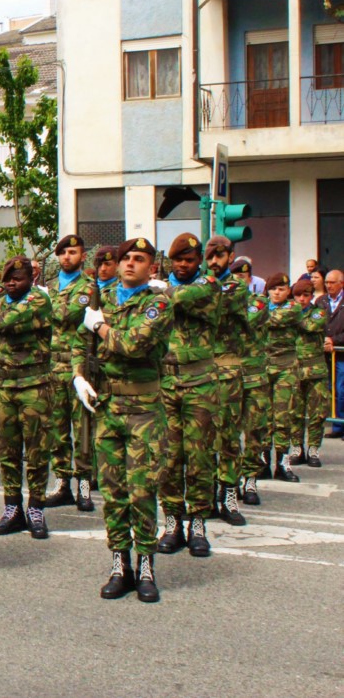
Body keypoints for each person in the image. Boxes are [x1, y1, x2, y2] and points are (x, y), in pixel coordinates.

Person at [73, 237, 172, 603]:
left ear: (151, 266)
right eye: (125, 258)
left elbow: (134, 345)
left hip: (143, 408)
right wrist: (78, 375)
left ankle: (146, 566)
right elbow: (78, 343)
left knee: (142, 491)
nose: (129, 264)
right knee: (113, 493)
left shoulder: (158, 302)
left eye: (138, 259)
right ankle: (120, 564)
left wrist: (99, 328)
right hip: (108, 408)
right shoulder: (104, 297)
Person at [156, 233, 221, 559]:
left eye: (189, 260)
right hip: (165, 384)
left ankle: (197, 523)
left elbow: (179, 297)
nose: (183, 265)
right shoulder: (158, 289)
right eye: (178, 260)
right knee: (168, 458)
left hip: (199, 382)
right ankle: (171, 522)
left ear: (199, 262)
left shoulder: (208, 286)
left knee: (199, 456)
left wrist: (159, 292)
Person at [0, 255, 54, 539]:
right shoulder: (1, 303)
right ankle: (12, 508)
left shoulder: (38, 300)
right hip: (4, 385)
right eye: (8, 279)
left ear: (31, 279)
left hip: (33, 384)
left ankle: (36, 508)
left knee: (37, 450)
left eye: (18, 278)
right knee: (7, 451)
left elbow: (6, 323)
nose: (12, 283)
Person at [46, 235, 97, 512]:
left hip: (78, 366)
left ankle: (85, 485)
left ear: (82, 255)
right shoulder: (50, 286)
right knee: (57, 428)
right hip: (52, 366)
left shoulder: (88, 287)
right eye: (63, 252)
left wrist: (44, 305)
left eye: (73, 252)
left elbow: (64, 314)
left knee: (83, 429)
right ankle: (62, 483)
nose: (67, 256)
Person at [205, 236, 247, 525]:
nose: (214, 262)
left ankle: (229, 494)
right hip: (202, 370)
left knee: (229, 438)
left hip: (228, 370)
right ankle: (207, 495)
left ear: (231, 257)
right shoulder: (200, 284)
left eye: (220, 256)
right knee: (202, 438)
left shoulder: (235, 286)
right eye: (210, 256)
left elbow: (214, 308)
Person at [231, 258, 271, 505]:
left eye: (244, 277)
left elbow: (247, 321)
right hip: (231, 376)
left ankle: (251, 478)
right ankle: (231, 481)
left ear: (250, 280)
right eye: (235, 277)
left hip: (255, 376)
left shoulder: (259, 302)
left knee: (255, 430)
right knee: (229, 433)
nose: (240, 281)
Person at [264, 274, 302, 482]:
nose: (277, 292)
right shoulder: (259, 306)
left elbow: (270, 320)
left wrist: (258, 316)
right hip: (264, 366)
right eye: (274, 288)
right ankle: (262, 461)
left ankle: (282, 462)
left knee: (283, 416)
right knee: (263, 418)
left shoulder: (293, 309)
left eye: (282, 288)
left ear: (288, 291)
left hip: (285, 368)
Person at [291, 278, 329, 467]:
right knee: (295, 412)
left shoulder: (318, 312)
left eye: (305, 295)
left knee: (317, 413)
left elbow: (311, 326)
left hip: (315, 370)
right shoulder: (290, 313)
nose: (302, 299)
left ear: (311, 296)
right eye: (298, 295)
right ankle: (297, 447)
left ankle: (313, 449)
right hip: (295, 369)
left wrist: (292, 316)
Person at [324, 268, 344, 439]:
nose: (328, 286)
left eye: (332, 282)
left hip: (341, 353)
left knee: (342, 389)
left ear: (341, 283)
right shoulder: (321, 301)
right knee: (332, 390)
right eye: (327, 283)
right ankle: (337, 426)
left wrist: (334, 340)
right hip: (327, 355)